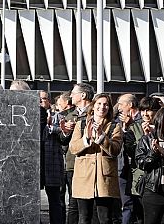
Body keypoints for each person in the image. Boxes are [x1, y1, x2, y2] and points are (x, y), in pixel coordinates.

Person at [69, 92, 123, 224]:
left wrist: (101, 137)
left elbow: (115, 150)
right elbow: (73, 148)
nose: (102, 107)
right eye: (99, 104)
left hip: (105, 179)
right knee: (84, 218)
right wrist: (86, 139)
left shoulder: (115, 126)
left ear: (109, 108)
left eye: (106, 104)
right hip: (83, 178)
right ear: (93, 106)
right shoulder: (81, 124)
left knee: (105, 219)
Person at [60, 83, 94, 224]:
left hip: (89, 163)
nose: (71, 96)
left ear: (83, 95)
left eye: (73, 93)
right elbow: (63, 141)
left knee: (88, 205)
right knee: (73, 204)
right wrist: (65, 131)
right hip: (72, 164)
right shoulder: (70, 115)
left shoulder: (94, 112)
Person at [135, 106, 164, 224]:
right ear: (161, 120)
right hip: (154, 192)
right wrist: (154, 153)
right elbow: (141, 164)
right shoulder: (146, 140)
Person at [116, 94, 143, 224]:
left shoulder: (144, 120)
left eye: (121, 104)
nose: (119, 107)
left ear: (130, 105)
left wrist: (131, 126)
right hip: (122, 166)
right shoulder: (118, 121)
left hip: (139, 169)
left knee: (139, 205)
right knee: (127, 203)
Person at [40, 91, 65, 224]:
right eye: (38, 99)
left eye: (44, 99)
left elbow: (62, 130)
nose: (41, 101)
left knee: (55, 200)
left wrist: (49, 127)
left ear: (49, 101)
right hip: (37, 163)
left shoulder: (57, 116)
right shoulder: (28, 116)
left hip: (52, 163)